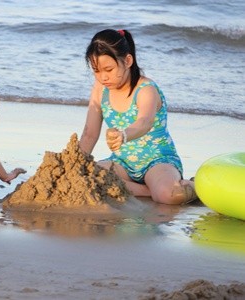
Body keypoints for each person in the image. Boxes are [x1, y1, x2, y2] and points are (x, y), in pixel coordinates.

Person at [79, 29, 197, 205]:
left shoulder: (146, 89)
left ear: (127, 61)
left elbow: (145, 122)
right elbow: (89, 133)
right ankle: (147, 191)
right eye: (96, 70)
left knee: (169, 195)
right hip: (122, 163)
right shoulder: (99, 89)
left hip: (157, 160)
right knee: (87, 176)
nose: (103, 77)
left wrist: (124, 135)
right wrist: (74, 165)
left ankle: (194, 185)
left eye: (109, 69)